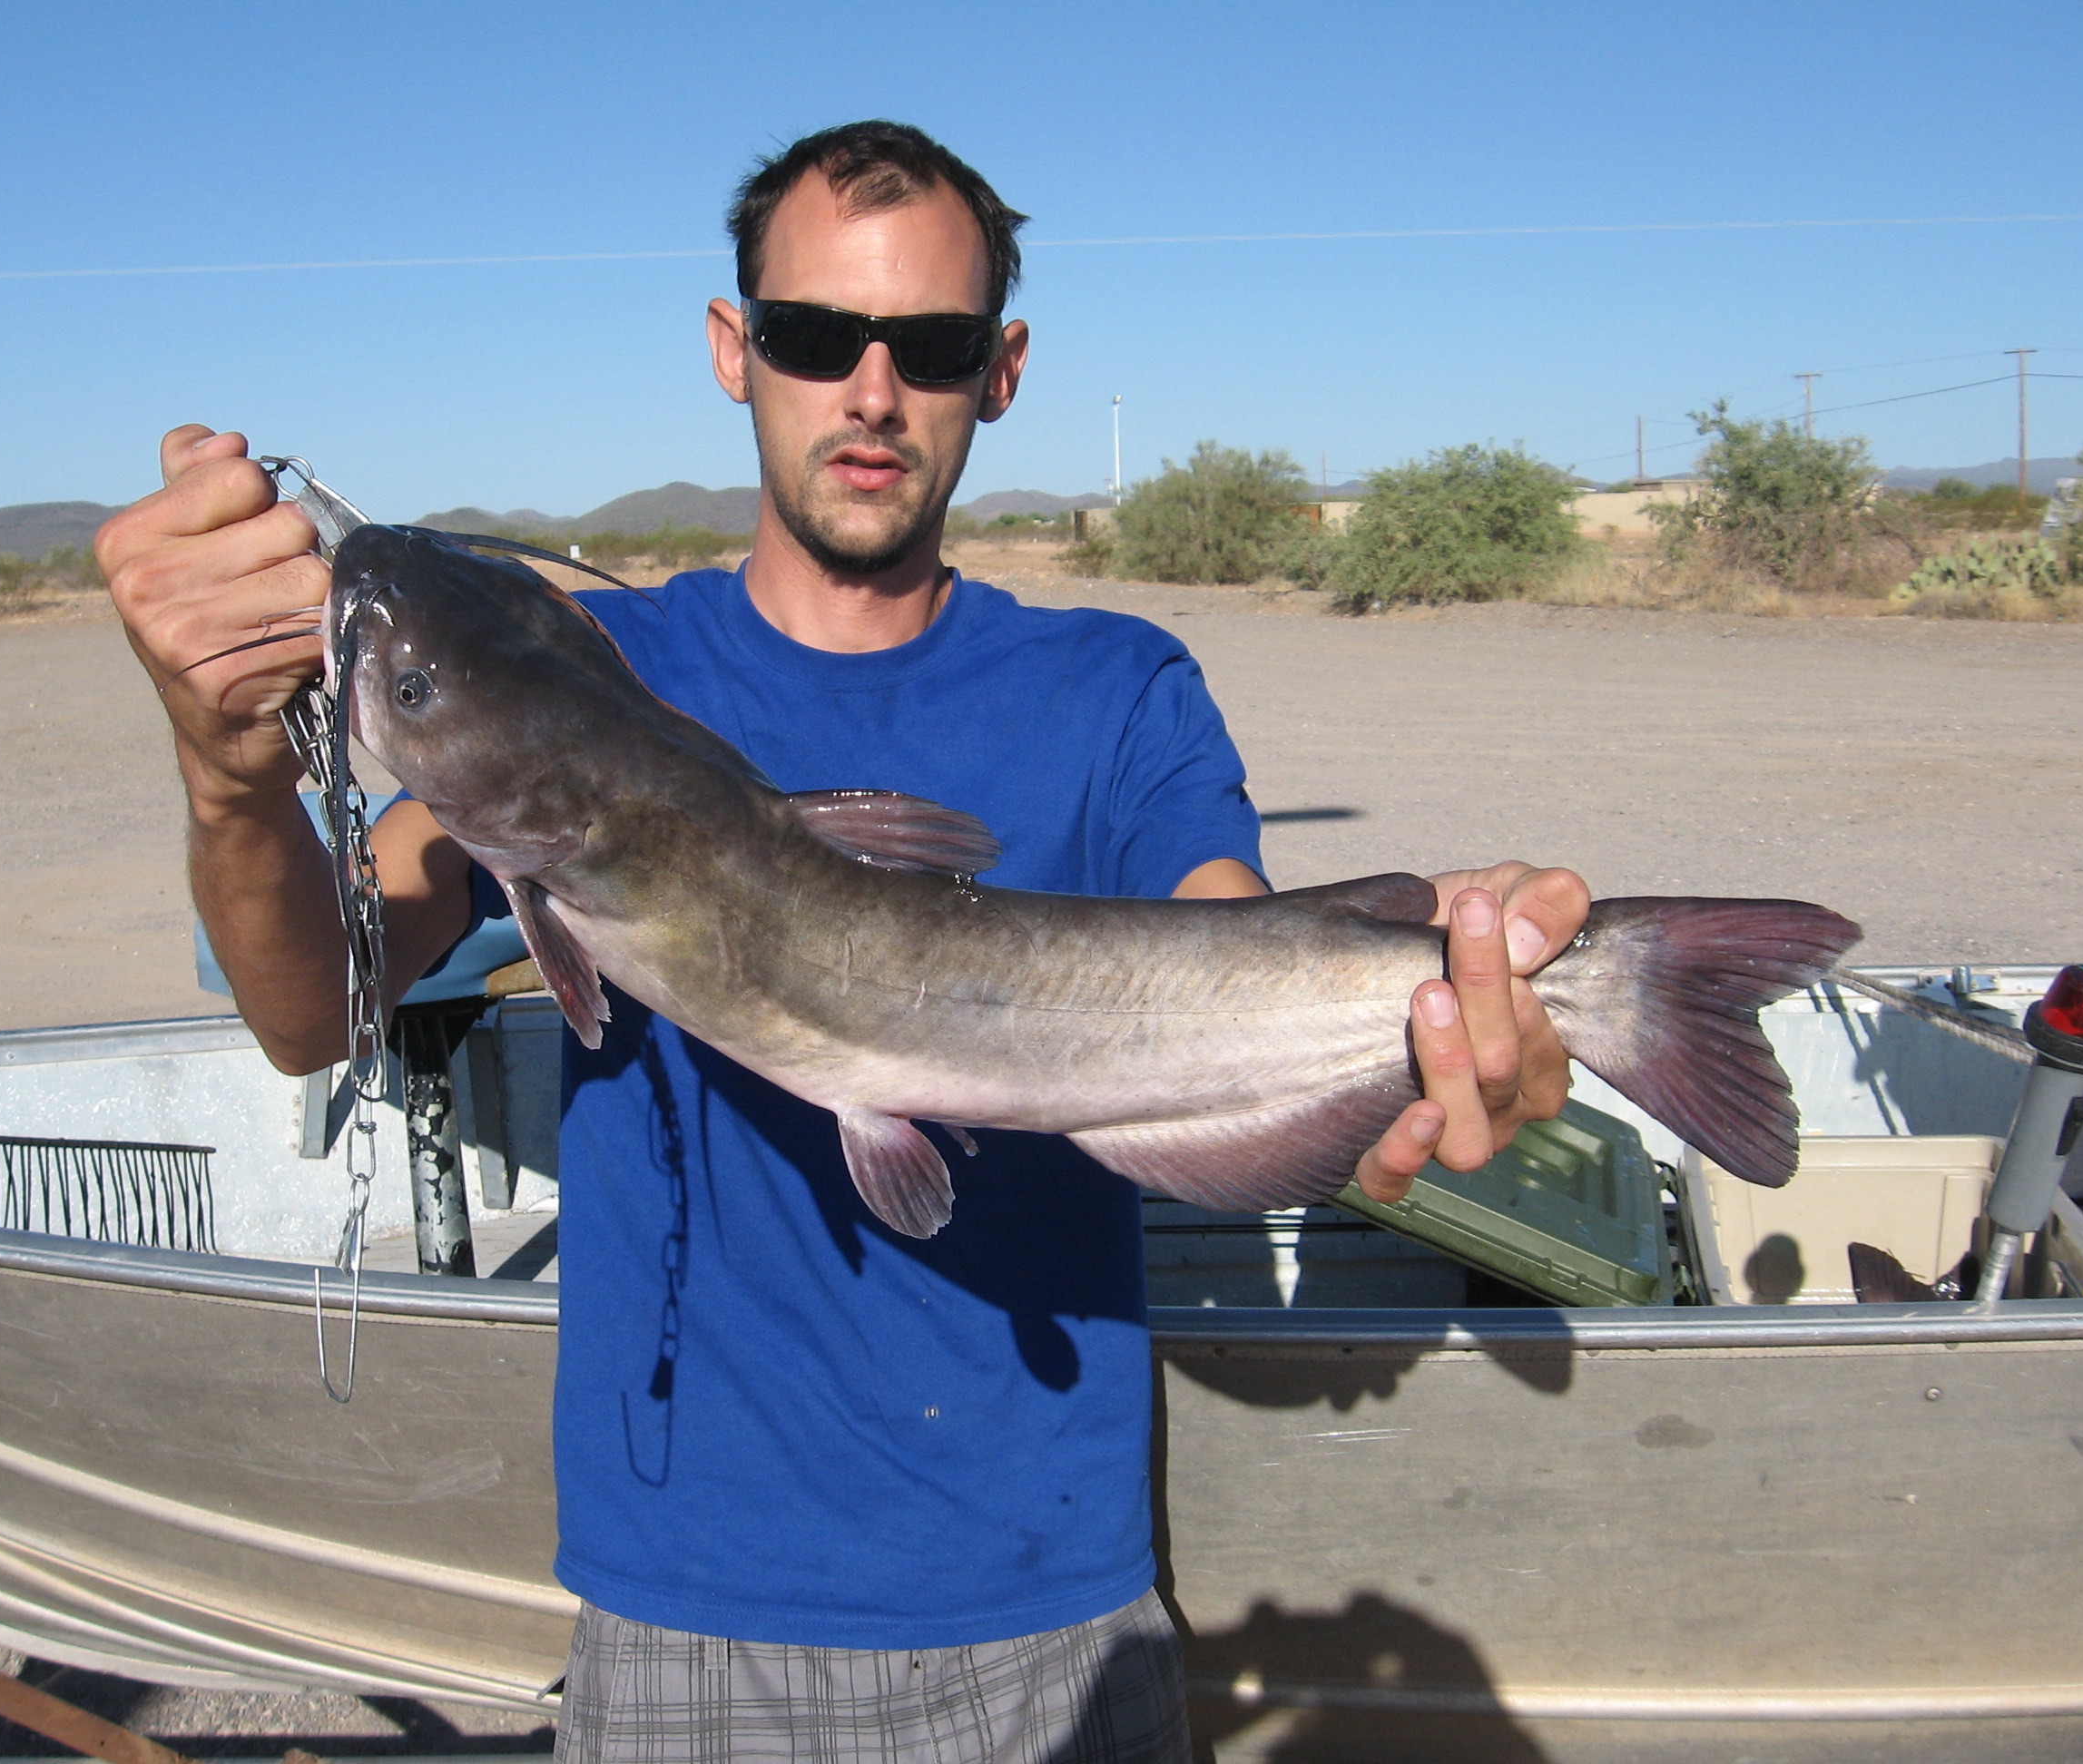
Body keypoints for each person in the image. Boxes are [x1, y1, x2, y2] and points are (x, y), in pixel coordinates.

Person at [99, 120, 1587, 1764]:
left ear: (1000, 370)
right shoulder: (604, 671)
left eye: (931, 346)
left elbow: (1219, 940)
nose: (871, 391)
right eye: (816, 337)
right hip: (686, 1611)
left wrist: (1454, 994)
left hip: (1051, 1605)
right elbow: (318, 1004)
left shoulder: (1118, 687)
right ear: (736, 351)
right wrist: (231, 776)